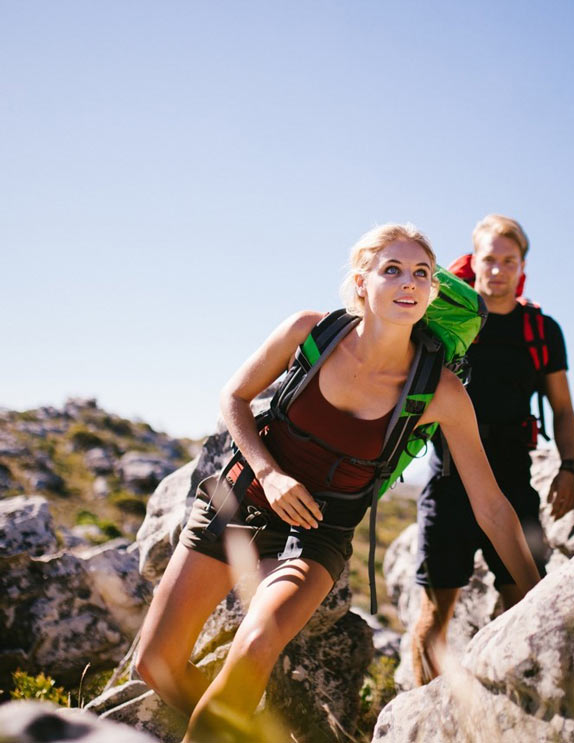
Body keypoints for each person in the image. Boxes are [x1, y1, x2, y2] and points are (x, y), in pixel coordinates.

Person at [134, 223, 541, 741]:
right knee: (156, 664)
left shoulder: (441, 391)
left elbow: (492, 507)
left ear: (432, 292)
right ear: (361, 282)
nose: (408, 282)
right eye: (391, 270)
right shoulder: (311, 331)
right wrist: (268, 471)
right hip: (241, 500)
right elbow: (234, 398)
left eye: (421, 273)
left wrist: (538, 597)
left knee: (257, 644)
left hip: (315, 535)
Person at [412, 214, 574, 685]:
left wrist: (569, 467)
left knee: (527, 603)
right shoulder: (448, 319)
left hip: (512, 481)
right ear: (474, 261)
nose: (499, 269)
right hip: (448, 482)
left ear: (522, 265)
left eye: (510, 260)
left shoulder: (540, 330)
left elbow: (562, 407)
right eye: (490, 258)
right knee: (434, 615)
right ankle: (424, 720)